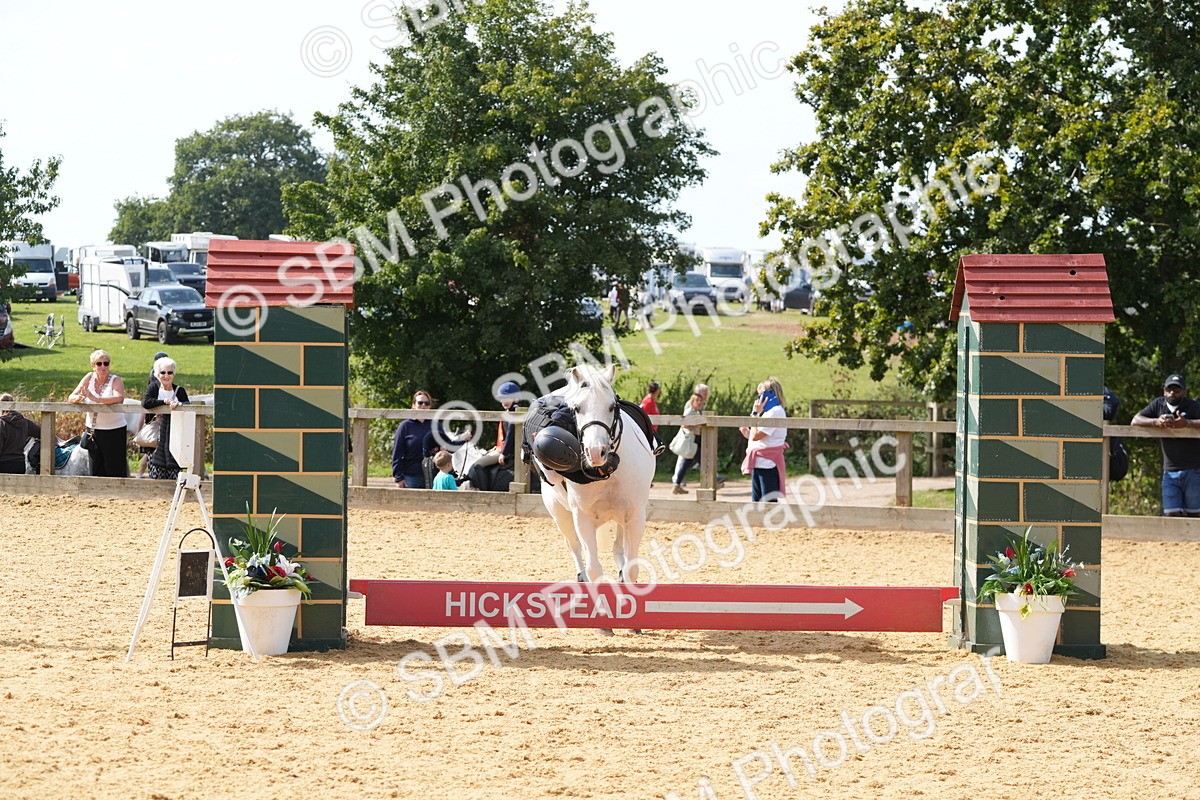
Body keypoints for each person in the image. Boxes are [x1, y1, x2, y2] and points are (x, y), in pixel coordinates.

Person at [1132, 374, 1200, 517]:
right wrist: (1156, 422)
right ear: (1164, 391)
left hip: (1193, 470)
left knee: (1195, 515)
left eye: (1177, 390)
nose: (1172, 393)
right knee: (1171, 514)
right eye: (1169, 389)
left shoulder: (1193, 405)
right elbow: (1135, 420)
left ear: (1184, 392)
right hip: (1169, 471)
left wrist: (1187, 423)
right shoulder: (1158, 404)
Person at [69, 349, 129, 478]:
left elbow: (119, 398)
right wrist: (79, 399)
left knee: (114, 467)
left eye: (106, 363)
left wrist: (95, 399)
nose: (103, 366)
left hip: (114, 429)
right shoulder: (89, 377)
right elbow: (71, 396)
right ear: (93, 365)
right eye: (99, 363)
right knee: (95, 466)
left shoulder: (116, 380)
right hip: (94, 430)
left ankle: (117, 493)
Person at [467, 381, 522, 492]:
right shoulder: (509, 412)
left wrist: (504, 453)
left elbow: (511, 435)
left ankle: (484, 492)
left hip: (509, 452)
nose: (504, 401)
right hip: (502, 448)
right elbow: (504, 436)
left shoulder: (513, 412)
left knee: (477, 465)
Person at [740, 377, 789, 503]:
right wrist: (749, 432)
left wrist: (755, 414)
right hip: (759, 461)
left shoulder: (775, 412)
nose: (758, 399)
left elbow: (757, 436)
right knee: (756, 501)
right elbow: (757, 437)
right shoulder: (767, 413)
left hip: (768, 462)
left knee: (768, 502)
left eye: (761, 395)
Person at [142, 356, 189, 481]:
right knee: (155, 471)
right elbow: (146, 402)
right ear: (157, 374)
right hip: (156, 437)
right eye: (163, 372)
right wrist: (164, 402)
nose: (166, 376)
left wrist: (179, 405)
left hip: (175, 436)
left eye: (170, 372)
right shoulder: (153, 387)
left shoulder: (180, 390)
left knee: (175, 471)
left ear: (174, 374)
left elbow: (188, 405)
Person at [134, 351, 168, 478]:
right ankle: (142, 474)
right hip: (155, 420)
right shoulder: (158, 374)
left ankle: (141, 474)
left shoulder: (160, 372)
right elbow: (146, 403)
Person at [392, 391, 437, 488]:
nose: (423, 405)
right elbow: (397, 453)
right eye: (420, 403)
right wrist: (398, 477)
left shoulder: (436, 425)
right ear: (413, 405)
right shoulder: (405, 426)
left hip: (433, 474)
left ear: (430, 406)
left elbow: (446, 446)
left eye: (426, 403)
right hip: (411, 475)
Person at [671, 383, 709, 495]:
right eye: (698, 401)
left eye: (700, 401)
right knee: (703, 460)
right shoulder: (689, 411)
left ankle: (677, 485)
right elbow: (684, 425)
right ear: (693, 401)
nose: (700, 403)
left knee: (687, 463)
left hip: (693, 441)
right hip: (690, 440)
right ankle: (713, 480)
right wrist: (697, 425)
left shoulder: (695, 411)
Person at [0, 392, 40, 474]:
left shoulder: (1, 423)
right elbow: (41, 433)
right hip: (20, 464)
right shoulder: (25, 422)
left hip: (3, 464)